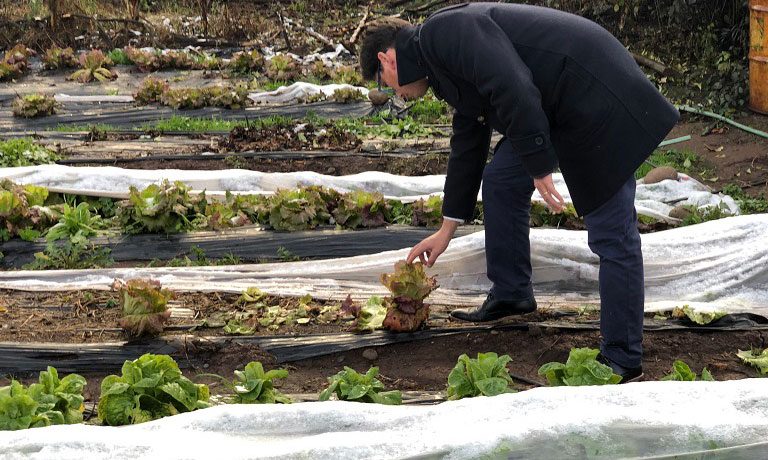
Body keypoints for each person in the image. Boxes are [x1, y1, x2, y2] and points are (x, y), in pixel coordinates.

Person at [358, 3, 679, 382]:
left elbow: (512, 82)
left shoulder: (446, 33)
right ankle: (512, 292)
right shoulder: (438, 60)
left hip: (590, 91)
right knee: (501, 181)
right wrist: (447, 228)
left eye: (382, 82)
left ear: (387, 60)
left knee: (611, 231)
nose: (393, 93)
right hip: (554, 105)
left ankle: (623, 357)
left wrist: (539, 165)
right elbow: (468, 137)